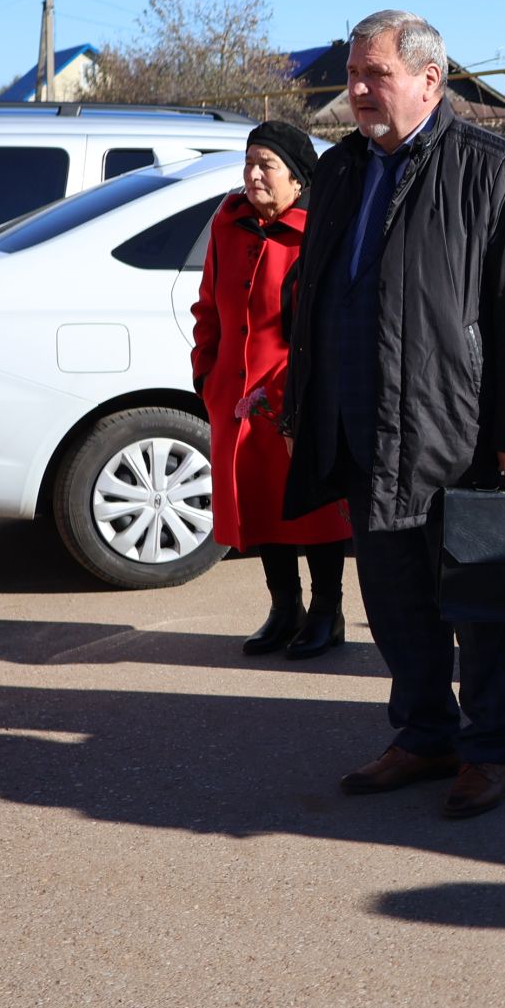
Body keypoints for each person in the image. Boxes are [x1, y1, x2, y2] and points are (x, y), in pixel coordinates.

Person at [280, 10, 505, 821]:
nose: (358, 92)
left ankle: (491, 747)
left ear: (429, 81)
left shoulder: (493, 168)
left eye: (376, 76)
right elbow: (313, 301)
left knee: (478, 601)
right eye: (354, 76)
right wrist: (303, 402)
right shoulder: (337, 173)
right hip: (362, 423)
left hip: (455, 428)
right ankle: (424, 731)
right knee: (394, 598)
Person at [190, 120, 352, 660]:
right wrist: (205, 372)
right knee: (260, 506)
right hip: (236, 397)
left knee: (315, 509)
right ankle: (285, 609)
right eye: (249, 163)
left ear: (298, 179)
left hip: (294, 397)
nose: (254, 175)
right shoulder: (228, 224)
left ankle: (328, 612)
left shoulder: (320, 231)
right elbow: (208, 305)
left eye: (268, 165)